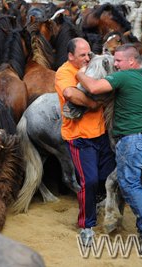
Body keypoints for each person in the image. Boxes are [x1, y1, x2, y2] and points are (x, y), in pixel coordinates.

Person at [76, 43, 142, 252]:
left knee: (129, 186)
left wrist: (80, 75)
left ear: (132, 61)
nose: (114, 64)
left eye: (118, 61)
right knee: (141, 186)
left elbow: (95, 88)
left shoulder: (124, 76)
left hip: (131, 142)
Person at [55, 37, 116, 247]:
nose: (87, 58)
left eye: (88, 53)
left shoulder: (93, 63)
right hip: (79, 137)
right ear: (70, 56)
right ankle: (86, 226)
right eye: (82, 55)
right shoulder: (64, 72)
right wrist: (93, 104)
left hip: (100, 134)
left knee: (107, 175)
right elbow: (70, 94)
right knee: (88, 181)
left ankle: (98, 203)